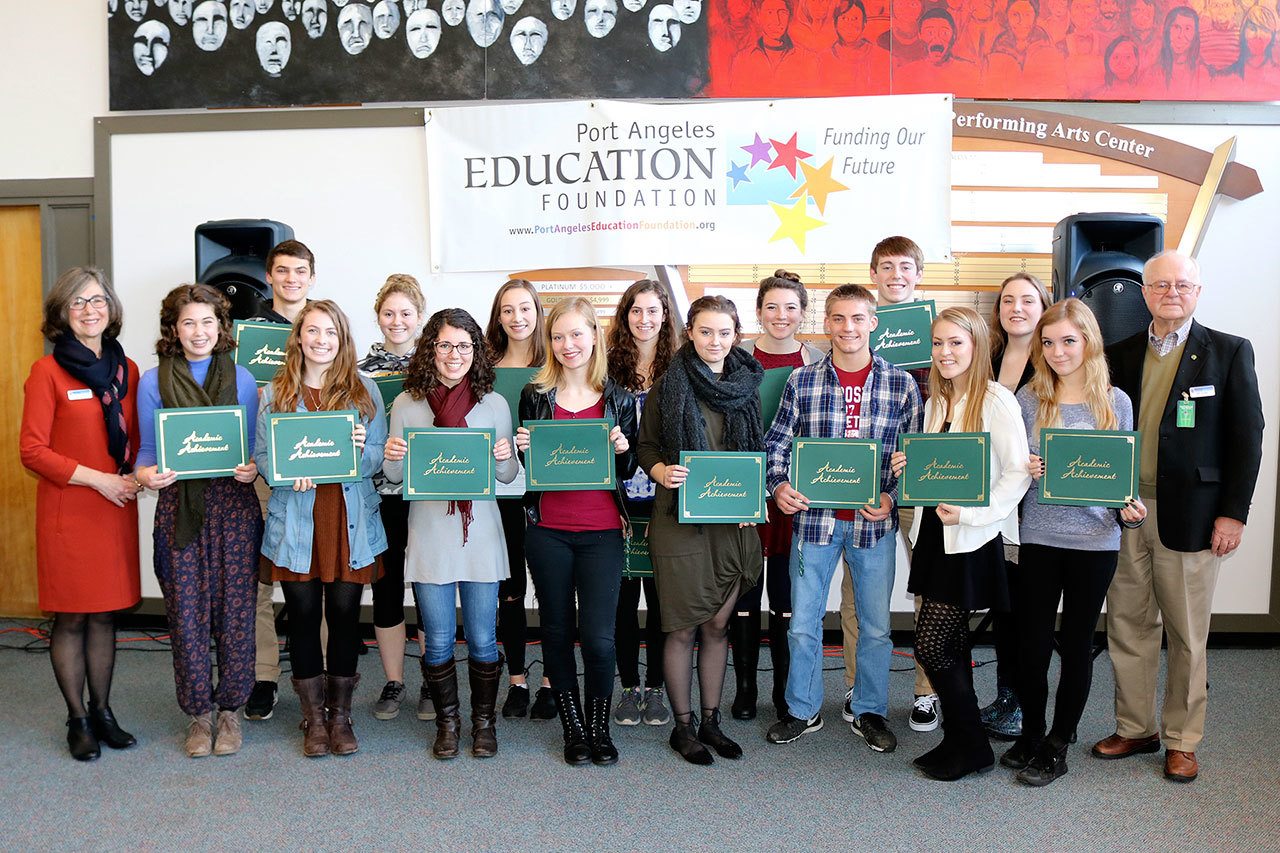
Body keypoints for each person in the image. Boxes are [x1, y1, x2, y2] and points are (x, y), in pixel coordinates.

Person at [1096, 250, 1263, 783]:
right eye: (1160, 284)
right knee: (1128, 625)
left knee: (1188, 634)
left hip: (1192, 516)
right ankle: (1135, 726)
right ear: (1144, 291)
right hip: (1125, 512)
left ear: (1198, 291)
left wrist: (1233, 514)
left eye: (1182, 284)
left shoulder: (1230, 352)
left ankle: (1183, 739)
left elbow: (1248, 438)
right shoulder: (1117, 354)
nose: (1171, 292)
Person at [763, 284, 922, 754]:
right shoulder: (802, 381)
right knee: (803, 623)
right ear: (826, 324)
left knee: (875, 625)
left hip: (873, 526)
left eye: (857, 318)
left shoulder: (901, 383)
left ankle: (869, 710)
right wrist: (779, 486)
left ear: (874, 323)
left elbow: (912, 456)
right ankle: (802, 709)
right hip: (814, 525)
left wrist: (893, 498)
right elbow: (777, 444)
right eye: (838, 318)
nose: (847, 327)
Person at [1004, 298, 1146, 786]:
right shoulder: (1028, 399)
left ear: (1089, 341)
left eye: (1068, 340)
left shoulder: (1117, 402)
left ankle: (1059, 742)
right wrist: (1027, 468)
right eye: (1048, 342)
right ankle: (1032, 733)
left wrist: (1129, 511)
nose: (1058, 351)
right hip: (1039, 537)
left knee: (1078, 642)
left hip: (1095, 541)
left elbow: (1117, 480)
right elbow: (1009, 471)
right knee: (1033, 642)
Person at [890, 306, 1031, 781]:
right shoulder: (937, 400)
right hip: (934, 534)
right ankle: (962, 740)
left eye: (956, 342)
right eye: (937, 343)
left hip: (970, 539)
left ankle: (971, 742)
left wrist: (972, 512)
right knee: (948, 644)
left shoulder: (995, 400)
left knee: (931, 647)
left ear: (977, 346)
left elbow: (1016, 476)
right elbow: (938, 469)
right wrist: (907, 469)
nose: (945, 352)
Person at [383, 309, 518, 759]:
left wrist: (503, 455)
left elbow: (507, 476)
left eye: (464, 345)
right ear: (431, 349)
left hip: (480, 534)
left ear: (476, 350)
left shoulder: (494, 404)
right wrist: (393, 453)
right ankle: (448, 724)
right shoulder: (407, 404)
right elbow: (393, 476)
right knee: (438, 639)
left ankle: (483, 724)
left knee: (482, 638)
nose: (454, 354)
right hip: (430, 533)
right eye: (444, 345)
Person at [134, 285, 262, 758]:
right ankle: (198, 714)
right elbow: (147, 453)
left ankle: (230, 710)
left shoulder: (244, 379)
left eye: (208, 322)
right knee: (186, 614)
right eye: (188, 322)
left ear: (221, 327)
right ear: (174, 329)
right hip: (178, 509)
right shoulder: (153, 381)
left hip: (233, 507)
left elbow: (250, 449)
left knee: (236, 614)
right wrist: (147, 475)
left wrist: (252, 467)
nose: (199, 332)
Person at [255, 300, 388, 757]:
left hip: (349, 524)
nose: (321, 340)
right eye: (312, 331)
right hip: (296, 524)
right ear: (298, 338)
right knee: (306, 621)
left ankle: (341, 715)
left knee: (346, 621)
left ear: (342, 339)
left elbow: (377, 459)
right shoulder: (276, 393)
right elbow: (264, 459)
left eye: (330, 332)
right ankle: (313, 719)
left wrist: (358, 450)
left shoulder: (365, 389)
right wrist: (286, 472)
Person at [20, 267, 142, 762]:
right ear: (61, 314)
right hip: (70, 509)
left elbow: (135, 438)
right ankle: (77, 719)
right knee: (71, 618)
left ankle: (104, 712)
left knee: (105, 617)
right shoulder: (47, 372)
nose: (90, 310)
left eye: (97, 301)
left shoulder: (128, 369)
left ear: (110, 308)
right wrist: (100, 479)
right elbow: (32, 451)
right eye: (78, 303)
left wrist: (139, 472)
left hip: (114, 509)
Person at [638, 295, 764, 766]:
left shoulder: (747, 386)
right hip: (679, 521)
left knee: (717, 624)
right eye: (706, 331)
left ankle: (711, 722)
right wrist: (660, 472)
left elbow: (757, 454)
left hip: (731, 523)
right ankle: (683, 726)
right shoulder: (668, 386)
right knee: (682, 628)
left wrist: (753, 497)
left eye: (724, 332)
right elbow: (646, 446)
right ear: (690, 331)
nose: (715, 341)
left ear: (736, 335)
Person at [514, 297, 637, 765]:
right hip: (547, 531)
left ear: (594, 337)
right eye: (559, 337)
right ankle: (573, 728)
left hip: (602, 531)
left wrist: (624, 447)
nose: (568, 345)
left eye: (577, 335)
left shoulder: (618, 397)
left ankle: (600, 728)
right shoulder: (534, 394)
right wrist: (525, 447)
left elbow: (625, 469)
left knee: (600, 638)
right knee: (557, 629)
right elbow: (532, 468)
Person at [732, 270, 824, 722]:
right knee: (746, 593)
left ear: (803, 312)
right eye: (772, 307)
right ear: (758, 312)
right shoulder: (733, 359)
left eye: (790, 307)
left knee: (790, 598)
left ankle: (786, 692)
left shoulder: (820, 362)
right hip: (746, 490)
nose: (781, 316)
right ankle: (746, 688)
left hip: (797, 492)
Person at [857, 235, 938, 733]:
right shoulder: (857, 326)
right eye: (886, 267)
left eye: (905, 267)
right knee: (859, 592)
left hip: (926, 477)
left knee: (929, 585)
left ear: (918, 275)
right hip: (867, 480)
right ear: (874, 275)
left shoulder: (940, 331)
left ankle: (927, 691)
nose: (896, 275)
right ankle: (855, 684)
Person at [245, 240, 317, 723]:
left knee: (319, 575)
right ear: (269, 277)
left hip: (315, 473)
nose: (292, 279)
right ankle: (264, 676)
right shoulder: (245, 331)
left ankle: (327, 675)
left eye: (300, 271)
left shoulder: (325, 325)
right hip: (263, 467)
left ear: (312, 277)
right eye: (282, 271)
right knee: (261, 580)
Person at [606, 280, 681, 728]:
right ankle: (628, 685)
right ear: (625, 316)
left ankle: (655, 688)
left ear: (665, 317)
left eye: (653, 310)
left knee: (660, 599)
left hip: (663, 499)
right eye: (636, 310)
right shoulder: (606, 370)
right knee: (620, 600)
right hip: (618, 499)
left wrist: (667, 506)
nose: (644, 319)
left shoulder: (680, 370)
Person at [980, 272, 1050, 741]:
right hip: (997, 505)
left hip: (1041, 509)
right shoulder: (989, 358)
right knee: (1004, 606)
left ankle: (1028, 702)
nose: (1017, 307)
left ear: (1045, 306)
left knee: (1032, 611)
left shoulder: (1058, 359)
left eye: (1028, 299)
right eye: (1008, 300)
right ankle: (1007, 696)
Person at [358, 275, 427, 723]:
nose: (397, 321)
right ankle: (394, 680)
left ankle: (432, 681)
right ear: (378, 316)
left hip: (424, 494)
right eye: (389, 313)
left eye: (406, 313)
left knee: (428, 589)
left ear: (419, 317)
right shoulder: (357, 372)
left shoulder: (438, 364)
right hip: (377, 496)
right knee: (386, 589)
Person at [484, 279, 553, 719]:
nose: (517, 318)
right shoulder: (483, 368)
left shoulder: (557, 365)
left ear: (537, 312)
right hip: (500, 493)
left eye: (525, 308)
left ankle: (551, 680)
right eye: (507, 310)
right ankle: (516, 680)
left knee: (550, 590)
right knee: (509, 592)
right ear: (498, 316)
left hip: (547, 493)